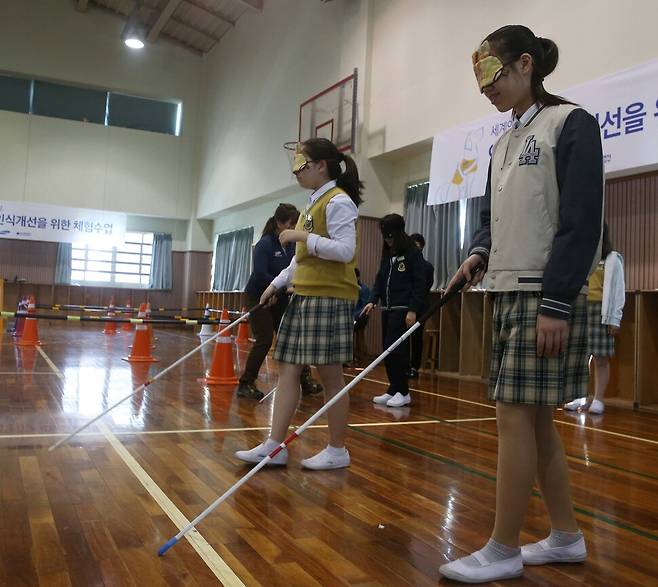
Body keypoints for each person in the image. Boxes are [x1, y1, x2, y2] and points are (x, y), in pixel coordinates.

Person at [439, 25, 603, 583]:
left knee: (514, 416)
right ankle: (565, 536)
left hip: (544, 294)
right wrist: (478, 252)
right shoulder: (501, 141)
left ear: (526, 64)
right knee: (534, 423)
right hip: (505, 290)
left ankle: (503, 547)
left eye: (496, 76)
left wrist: (557, 301)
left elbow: (581, 221)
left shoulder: (571, 123)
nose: (488, 90)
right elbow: (492, 217)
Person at [235, 138, 363, 470]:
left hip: (329, 296)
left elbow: (346, 251)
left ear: (322, 165)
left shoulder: (338, 202)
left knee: (331, 376)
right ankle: (274, 446)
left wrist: (302, 237)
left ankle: (337, 449)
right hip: (303, 295)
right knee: (288, 370)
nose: (296, 172)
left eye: (301, 165)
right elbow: (300, 261)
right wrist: (276, 284)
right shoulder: (310, 205)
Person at [236, 204, 323, 400]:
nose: (293, 228)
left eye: (295, 224)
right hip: (258, 296)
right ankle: (246, 383)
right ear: (279, 223)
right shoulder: (265, 244)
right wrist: (272, 289)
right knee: (265, 338)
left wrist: (288, 287)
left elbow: (293, 270)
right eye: (290, 224)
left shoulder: (292, 245)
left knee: (293, 337)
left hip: (281, 295)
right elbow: (260, 274)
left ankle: (306, 381)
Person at [361, 214, 425, 407]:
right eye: (385, 237)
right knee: (387, 350)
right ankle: (393, 388)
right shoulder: (388, 254)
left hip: (403, 309)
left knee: (397, 350)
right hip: (387, 309)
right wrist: (373, 300)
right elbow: (380, 279)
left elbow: (419, 283)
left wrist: (413, 309)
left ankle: (404, 391)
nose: (388, 240)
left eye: (390, 236)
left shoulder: (412, 253)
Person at [564, 223, 625, 414]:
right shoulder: (581, 256)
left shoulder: (612, 258)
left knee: (600, 358)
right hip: (581, 308)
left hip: (601, 311)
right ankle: (579, 396)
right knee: (579, 357)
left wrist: (615, 318)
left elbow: (618, 290)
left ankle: (598, 399)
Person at [408, 233, 434, 378]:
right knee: (403, 338)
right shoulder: (406, 265)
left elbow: (425, 287)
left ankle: (414, 367)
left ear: (422, 247)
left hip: (421, 306)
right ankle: (404, 366)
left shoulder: (427, 267)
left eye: (418, 246)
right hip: (406, 305)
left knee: (417, 337)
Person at [352, 268, 371, 364]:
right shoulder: (351, 288)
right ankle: (350, 356)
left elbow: (364, 308)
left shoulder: (363, 289)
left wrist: (352, 317)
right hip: (354, 316)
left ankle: (359, 357)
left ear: (358, 277)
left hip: (361, 317)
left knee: (349, 329)